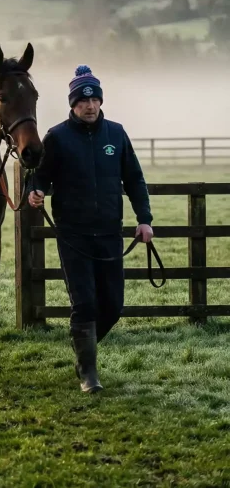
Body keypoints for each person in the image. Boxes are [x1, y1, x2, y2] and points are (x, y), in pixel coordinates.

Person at [29, 65, 153, 393]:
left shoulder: (116, 134)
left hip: (110, 233)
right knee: (84, 303)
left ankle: (84, 348)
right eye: (83, 101)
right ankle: (89, 372)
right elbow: (40, 175)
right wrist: (36, 190)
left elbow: (135, 180)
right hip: (73, 235)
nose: (90, 105)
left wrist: (144, 219)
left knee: (113, 305)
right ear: (73, 104)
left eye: (95, 99)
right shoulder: (56, 137)